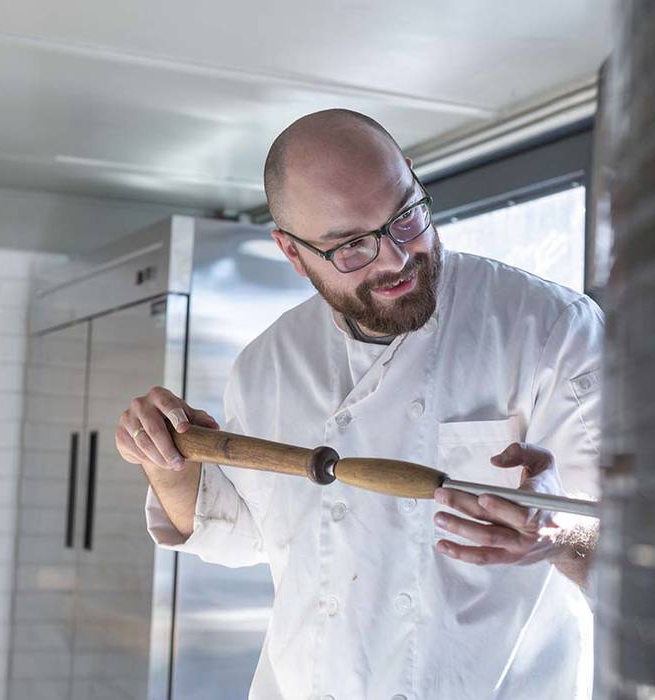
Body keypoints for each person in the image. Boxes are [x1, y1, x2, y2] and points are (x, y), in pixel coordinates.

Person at [116, 109, 603, 699]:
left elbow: (646, 555)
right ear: (293, 254)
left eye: (406, 217)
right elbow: (247, 535)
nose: (395, 258)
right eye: (350, 247)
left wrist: (561, 536)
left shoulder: (549, 329)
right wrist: (165, 460)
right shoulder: (267, 363)